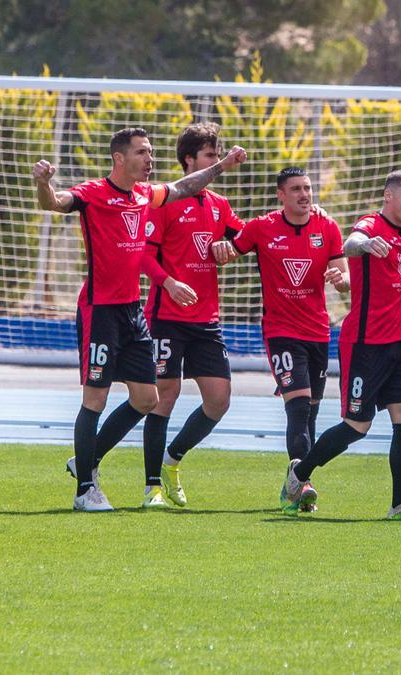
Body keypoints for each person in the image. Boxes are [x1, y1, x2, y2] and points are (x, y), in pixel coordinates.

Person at [34, 127, 246, 511]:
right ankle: (85, 488)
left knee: (147, 399)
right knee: (95, 399)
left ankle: (87, 458)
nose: (150, 159)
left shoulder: (147, 195)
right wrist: (44, 184)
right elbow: (55, 203)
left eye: (151, 152)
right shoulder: (93, 193)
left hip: (134, 313)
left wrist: (223, 167)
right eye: (142, 153)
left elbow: (184, 185)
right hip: (100, 310)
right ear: (120, 158)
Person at [279, 171, 401, 521]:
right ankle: (299, 473)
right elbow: (353, 242)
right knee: (357, 427)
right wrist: (364, 245)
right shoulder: (372, 224)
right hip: (365, 344)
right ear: (388, 197)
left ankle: (400, 504)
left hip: (399, 343)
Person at [212, 167, 347, 513]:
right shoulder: (262, 227)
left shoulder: (327, 227)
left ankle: (298, 483)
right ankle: (303, 484)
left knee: (312, 412)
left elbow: (344, 275)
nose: (305, 194)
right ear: (281, 196)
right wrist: (219, 249)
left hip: (318, 330)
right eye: (296, 189)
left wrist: (341, 278)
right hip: (281, 332)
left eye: (308, 188)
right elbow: (232, 248)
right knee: (298, 407)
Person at [138, 122, 244, 509]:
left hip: (207, 319)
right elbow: (144, 254)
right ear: (189, 160)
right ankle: (152, 487)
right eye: (210, 156)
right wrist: (168, 283)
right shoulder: (164, 201)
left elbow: (242, 238)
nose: (216, 162)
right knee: (165, 395)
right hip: (168, 316)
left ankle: (171, 461)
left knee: (219, 401)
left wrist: (230, 246)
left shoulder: (220, 205)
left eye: (217, 156)